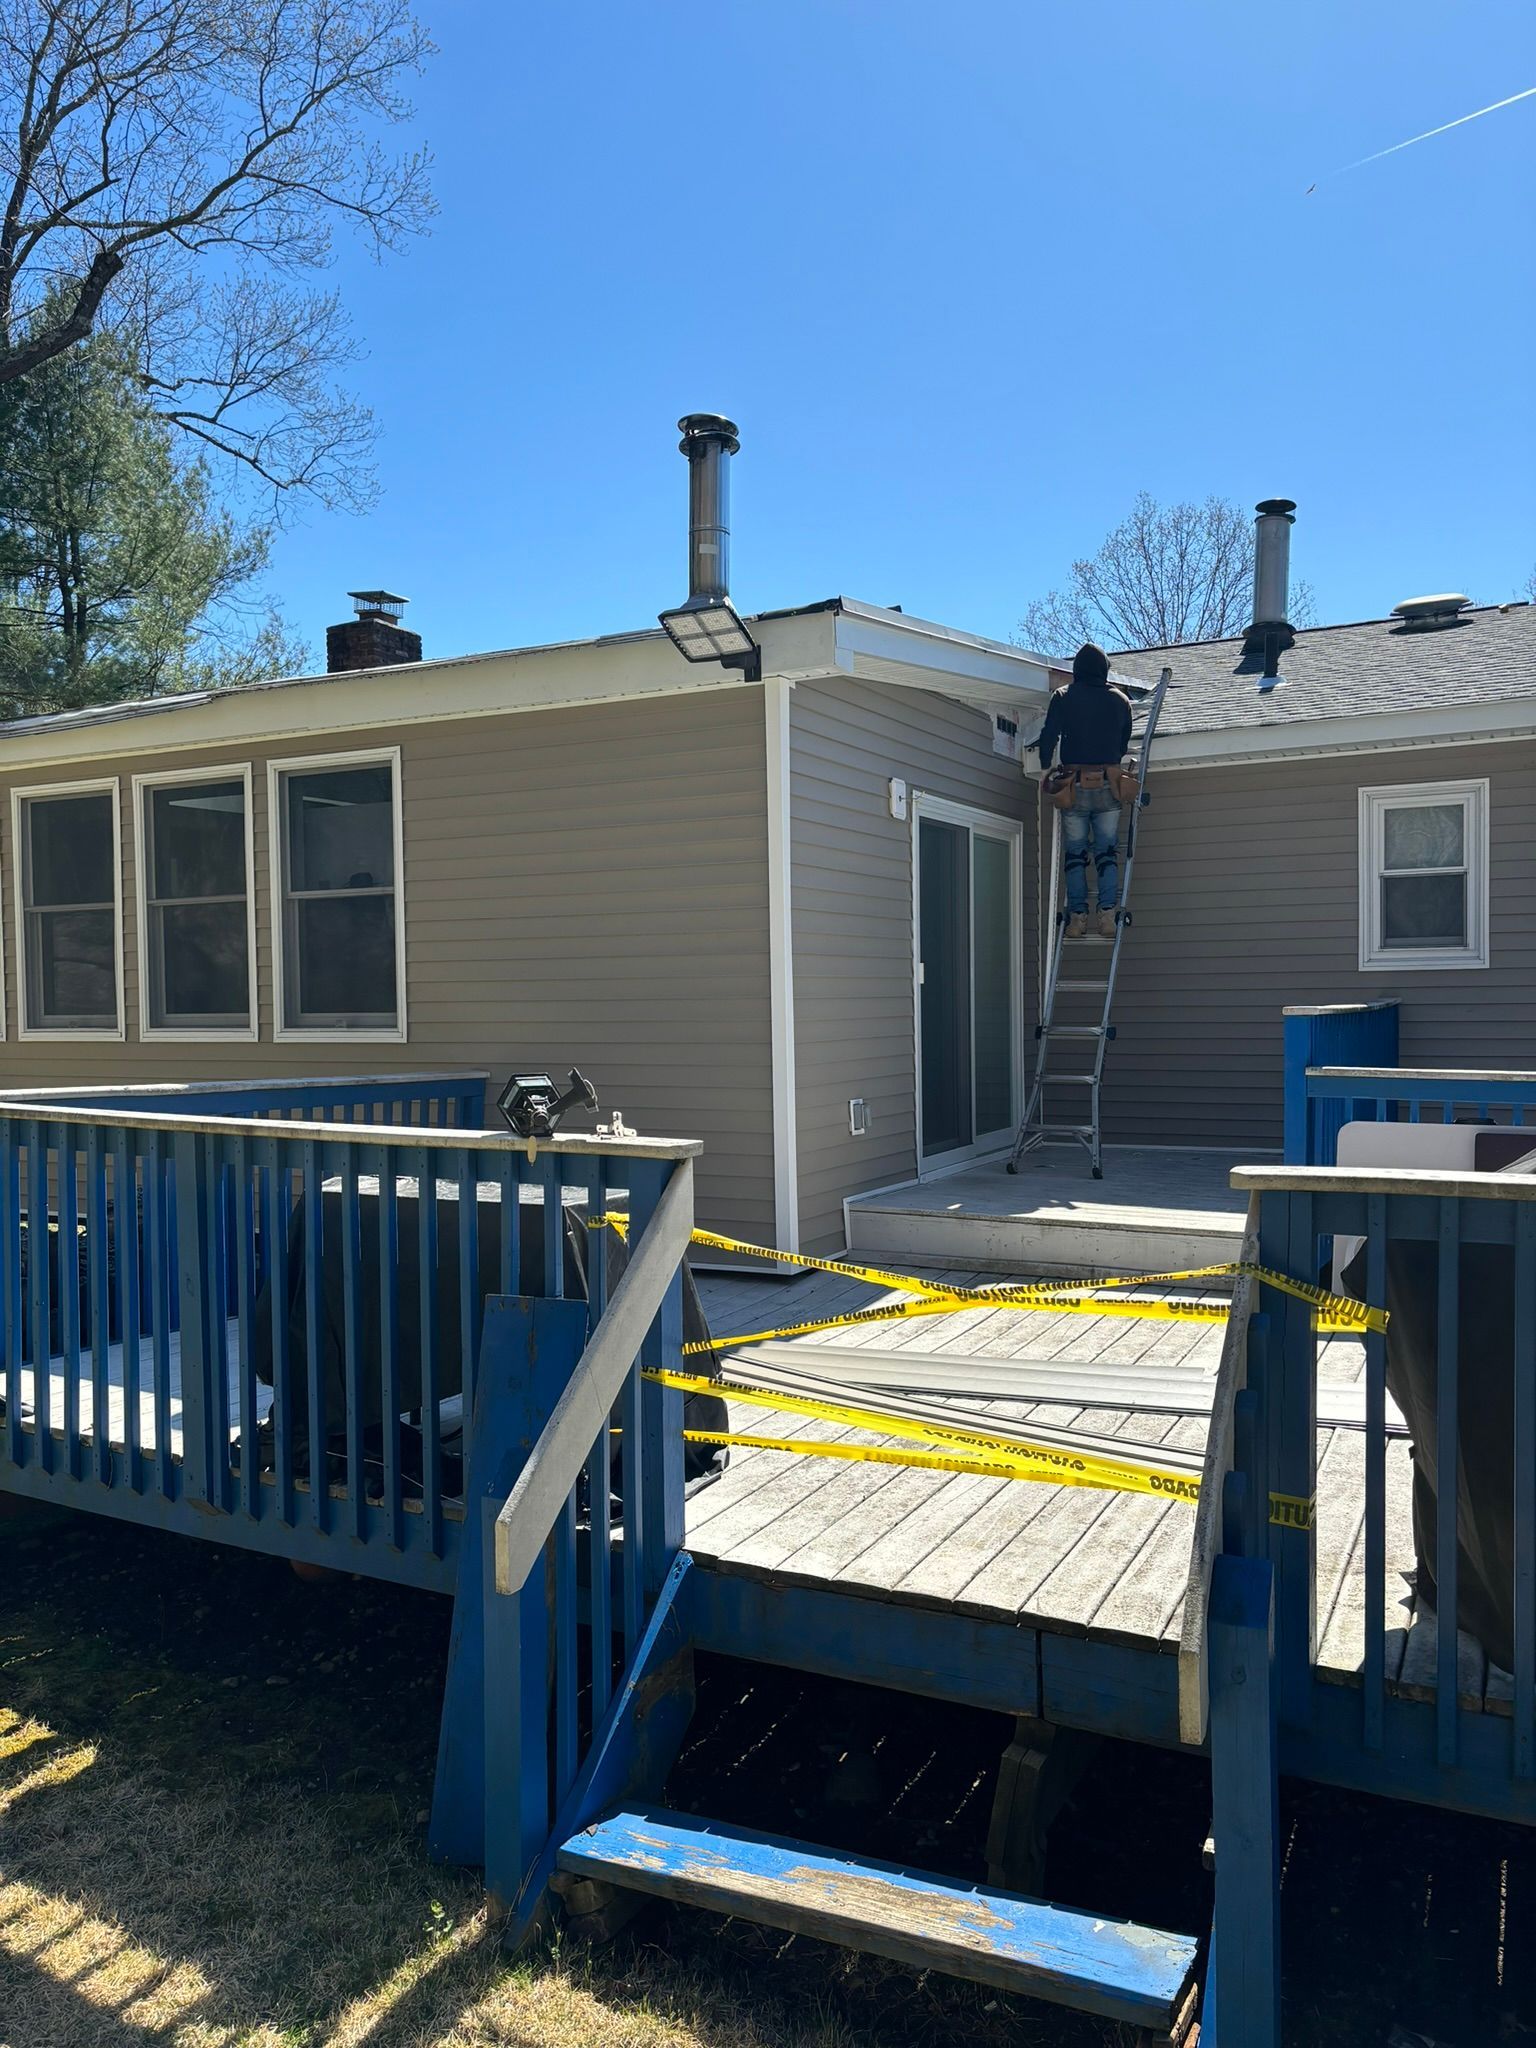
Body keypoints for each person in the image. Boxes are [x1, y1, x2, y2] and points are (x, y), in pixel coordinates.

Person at [1034, 642, 1134, 940]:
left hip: (1073, 785)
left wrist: (1044, 771)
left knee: (1075, 854)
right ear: (1103, 670)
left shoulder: (1064, 696)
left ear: (1077, 670)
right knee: (1106, 852)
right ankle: (1106, 918)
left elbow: (1049, 736)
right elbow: (1122, 742)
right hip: (1109, 782)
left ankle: (1076, 920)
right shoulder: (1120, 700)